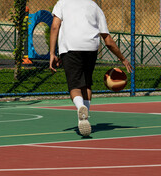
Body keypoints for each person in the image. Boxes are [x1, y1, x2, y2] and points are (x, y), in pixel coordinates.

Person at [49, 0, 133, 137]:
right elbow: (108, 40)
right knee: (86, 84)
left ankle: (80, 108)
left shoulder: (62, 3)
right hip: (90, 48)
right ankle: (84, 118)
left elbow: (54, 27)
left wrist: (52, 53)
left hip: (71, 47)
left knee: (75, 86)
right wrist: (122, 59)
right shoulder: (95, 6)